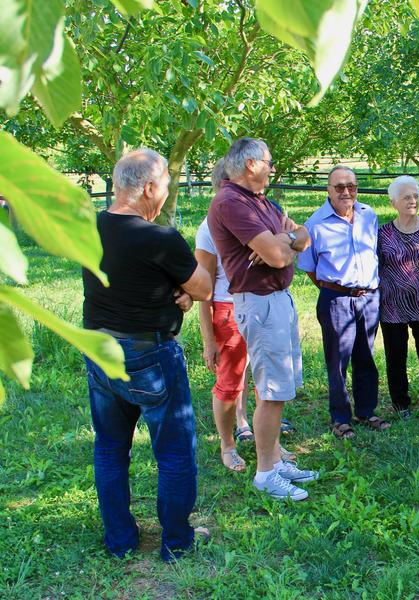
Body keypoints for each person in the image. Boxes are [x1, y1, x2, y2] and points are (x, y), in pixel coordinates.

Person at [82, 148, 212, 561]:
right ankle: (176, 541)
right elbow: (204, 287)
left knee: (109, 447)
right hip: (149, 353)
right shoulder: (159, 237)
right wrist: (183, 295)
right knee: (174, 450)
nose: (166, 193)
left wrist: (175, 295)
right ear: (149, 188)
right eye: (166, 186)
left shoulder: (88, 227)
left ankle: (119, 541)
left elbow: (119, 281)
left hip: (99, 348)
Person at [207, 137, 317, 501]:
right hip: (258, 302)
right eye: (269, 161)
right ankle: (266, 474)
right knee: (271, 392)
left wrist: (283, 237)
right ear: (250, 164)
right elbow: (279, 257)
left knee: (280, 388)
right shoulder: (230, 202)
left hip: (277, 300)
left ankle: (273, 459)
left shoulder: (261, 201)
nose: (272, 167)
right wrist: (278, 245)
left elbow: (304, 236)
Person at [195, 159, 297, 472]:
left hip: (264, 302)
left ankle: (272, 446)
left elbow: (293, 245)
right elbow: (203, 287)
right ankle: (228, 444)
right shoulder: (209, 226)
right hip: (228, 309)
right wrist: (208, 338)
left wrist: (286, 246)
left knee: (266, 383)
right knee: (230, 383)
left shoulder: (263, 212)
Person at [299, 165, 389, 439]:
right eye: (339, 187)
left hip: (369, 298)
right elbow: (310, 267)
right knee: (338, 361)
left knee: (366, 355)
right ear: (328, 189)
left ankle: (366, 410)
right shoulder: (315, 224)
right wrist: (337, 289)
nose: (346, 192)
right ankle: (340, 418)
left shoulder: (368, 214)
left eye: (351, 186)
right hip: (336, 299)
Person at [378, 175, 419, 420]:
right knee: (396, 356)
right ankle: (401, 404)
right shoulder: (383, 234)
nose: (412, 200)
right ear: (393, 202)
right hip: (392, 305)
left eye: (415, 196)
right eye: (406, 197)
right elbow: (377, 267)